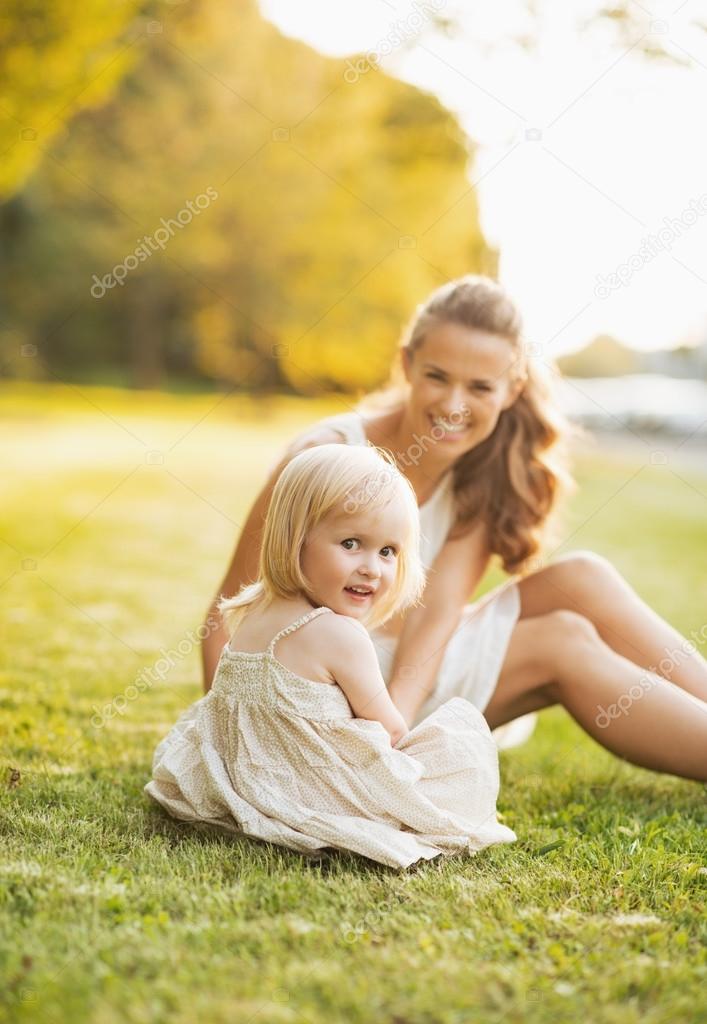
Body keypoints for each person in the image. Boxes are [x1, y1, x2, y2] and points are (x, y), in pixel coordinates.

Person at [201, 275, 707, 782]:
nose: (453, 405)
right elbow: (230, 608)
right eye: (438, 377)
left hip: (404, 682)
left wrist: (392, 730)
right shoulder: (324, 457)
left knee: (582, 577)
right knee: (564, 640)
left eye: (480, 387)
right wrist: (226, 741)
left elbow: (435, 616)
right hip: (332, 681)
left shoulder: (483, 466)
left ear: (512, 391)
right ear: (407, 366)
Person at [145, 444, 517, 869]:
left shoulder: (253, 611)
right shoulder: (339, 635)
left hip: (251, 778)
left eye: (388, 551)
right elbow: (388, 728)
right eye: (351, 543)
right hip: (313, 785)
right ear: (295, 539)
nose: (372, 569)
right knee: (458, 743)